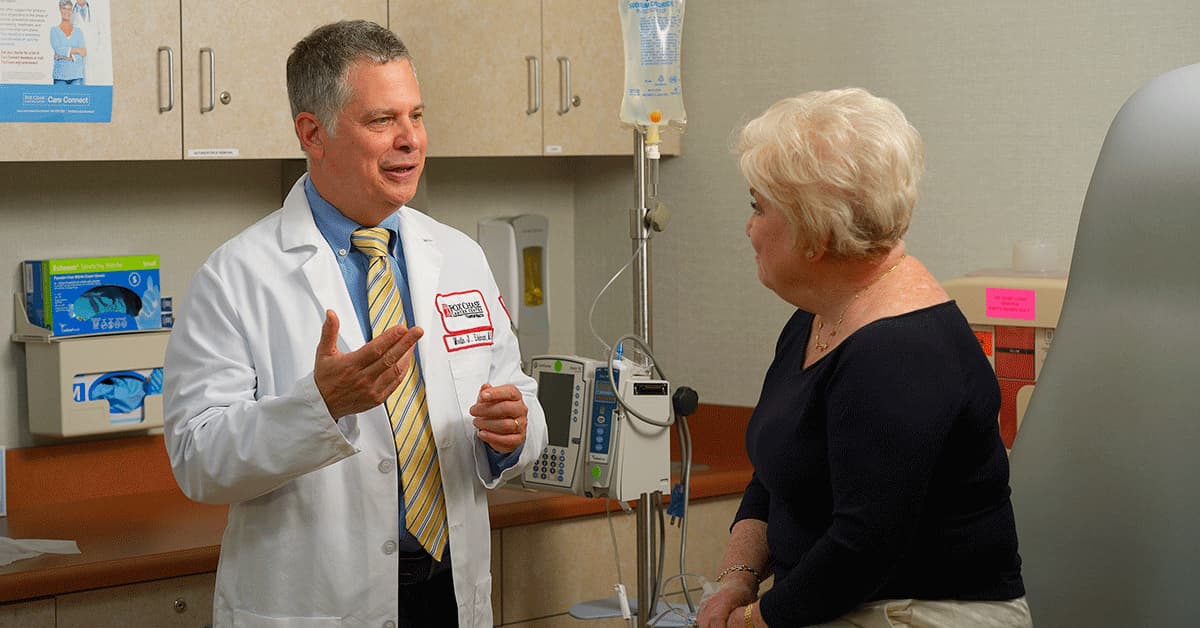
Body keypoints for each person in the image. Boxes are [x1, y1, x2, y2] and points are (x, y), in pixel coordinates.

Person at [163, 20, 546, 628]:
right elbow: (197, 459)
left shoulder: (459, 257)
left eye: (416, 117)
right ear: (312, 133)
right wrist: (320, 406)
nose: (411, 141)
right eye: (381, 121)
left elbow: (513, 391)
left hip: (449, 592)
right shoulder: (234, 277)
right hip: (319, 601)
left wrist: (513, 433)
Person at [695, 89, 1030, 627]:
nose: (749, 227)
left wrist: (752, 621)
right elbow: (777, 472)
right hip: (846, 600)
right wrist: (737, 580)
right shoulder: (819, 317)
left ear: (815, 233)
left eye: (759, 207)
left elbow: (863, 547)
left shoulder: (899, 351)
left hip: (920, 612)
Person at [50, 0, 85, 85]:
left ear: (72, 11)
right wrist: (76, 51)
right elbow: (58, 49)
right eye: (64, 8)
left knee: (78, 97)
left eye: (69, 9)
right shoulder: (54, 30)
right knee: (58, 97)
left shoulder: (78, 32)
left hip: (77, 75)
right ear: (60, 10)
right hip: (60, 75)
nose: (67, 12)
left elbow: (83, 52)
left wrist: (64, 56)